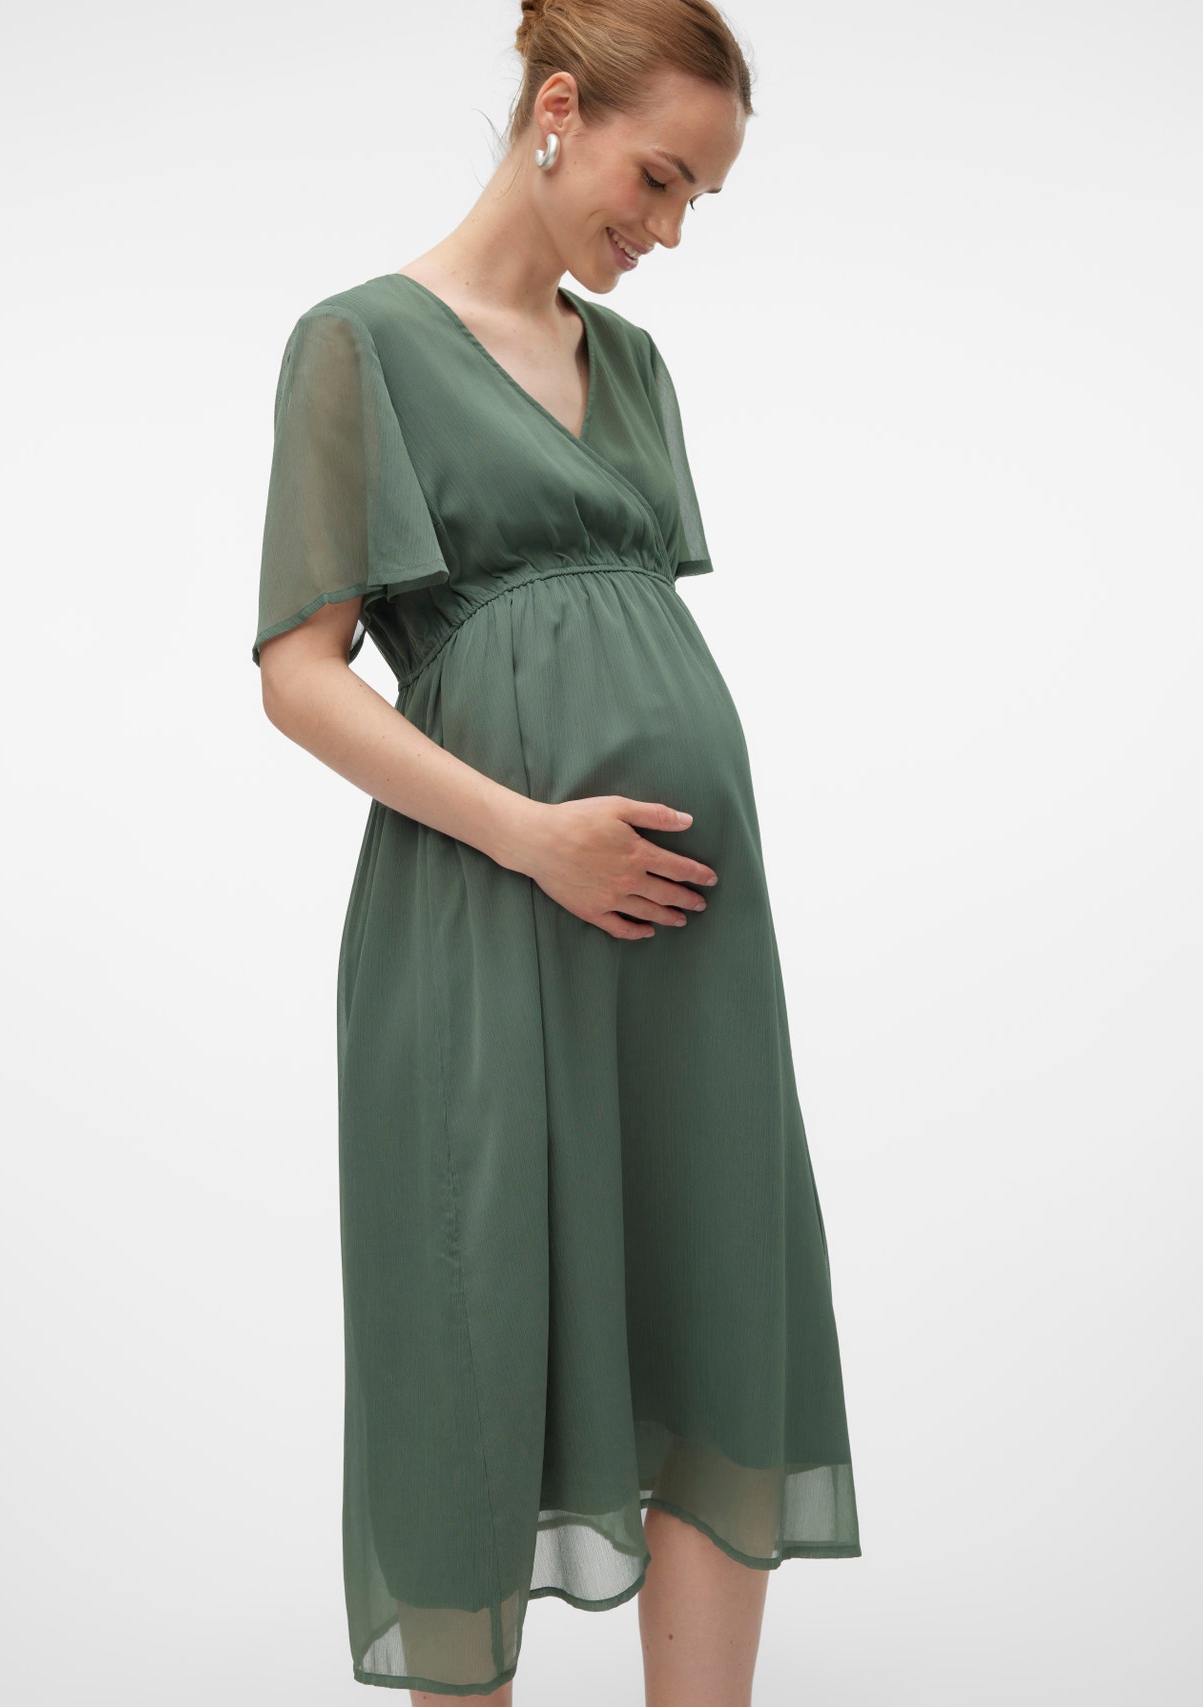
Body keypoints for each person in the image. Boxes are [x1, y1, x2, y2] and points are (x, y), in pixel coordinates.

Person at [251, 1, 861, 1699]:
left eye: (697, 202)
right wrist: (536, 839)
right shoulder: (359, 344)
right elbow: (300, 677)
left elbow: (623, 627)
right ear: (560, 108)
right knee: (473, 1323)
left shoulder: (636, 369)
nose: (668, 230)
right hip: (485, 908)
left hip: (692, 944)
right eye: (658, 179)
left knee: (714, 1307)